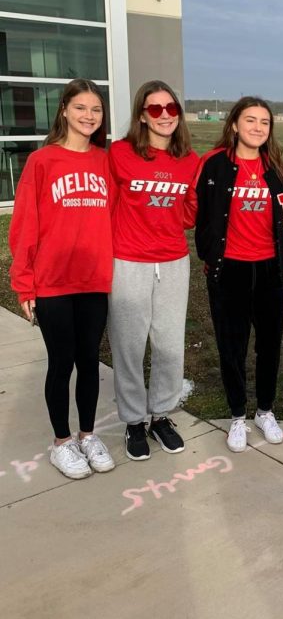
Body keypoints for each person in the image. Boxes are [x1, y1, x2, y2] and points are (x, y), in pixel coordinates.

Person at [9, 79, 114, 479]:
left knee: (90, 361)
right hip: (53, 281)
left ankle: (88, 435)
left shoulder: (105, 161)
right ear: (65, 111)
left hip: (94, 279)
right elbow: (24, 226)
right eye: (81, 108)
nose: (89, 116)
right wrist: (24, 283)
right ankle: (62, 442)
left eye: (96, 110)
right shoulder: (43, 162)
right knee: (61, 362)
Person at [195, 96, 283, 453]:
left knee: (269, 345)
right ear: (234, 124)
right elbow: (197, 210)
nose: (257, 128)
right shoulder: (214, 165)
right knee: (232, 346)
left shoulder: (278, 170)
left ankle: (265, 411)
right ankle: (238, 415)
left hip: (268, 269)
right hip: (229, 268)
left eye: (264, 122)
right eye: (250, 120)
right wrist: (208, 252)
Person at [107, 81, 199, 460]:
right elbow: (108, 203)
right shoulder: (120, 152)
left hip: (174, 260)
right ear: (142, 115)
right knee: (129, 345)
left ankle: (161, 414)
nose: (164, 116)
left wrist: (166, 220)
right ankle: (132, 420)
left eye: (171, 109)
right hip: (128, 260)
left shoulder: (189, 159)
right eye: (155, 109)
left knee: (169, 343)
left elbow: (191, 210)